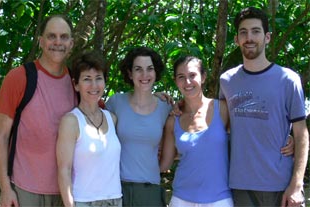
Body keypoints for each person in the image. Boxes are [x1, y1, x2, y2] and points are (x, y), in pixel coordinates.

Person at [219, 7, 309, 207]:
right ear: (236, 39)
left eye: (255, 31)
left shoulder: (288, 79)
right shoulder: (226, 81)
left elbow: (301, 133)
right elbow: (217, 124)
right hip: (239, 187)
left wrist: (296, 184)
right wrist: (177, 106)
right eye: (243, 32)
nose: (249, 37)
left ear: (267, 37)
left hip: (280, 186)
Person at [0, 14, 76, 206]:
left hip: (65, 191)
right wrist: (6, 189)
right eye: (51, 36)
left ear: (71, 43)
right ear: (40, 41)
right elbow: (0, 136)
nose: (57, 42)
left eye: (64, 37)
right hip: (24, 190)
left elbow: (104, 114)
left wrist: (155, 97)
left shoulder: (77, 82)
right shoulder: (19, 77)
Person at [160, 56, 233, 207]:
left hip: (220, 200)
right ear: (176, 81)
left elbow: (249, 134)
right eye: (181, 77)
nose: (187, 82)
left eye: (192, 75)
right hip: (181, 199)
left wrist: (288, 140)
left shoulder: (223, 109)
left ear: (203, 77)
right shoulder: (173, 120)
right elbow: (164, 165)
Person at [106, 46, 172, 207]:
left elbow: (171, 151)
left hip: (150, 191)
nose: (144, 75)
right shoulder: (115, 103)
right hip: (117, 189)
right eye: (138, 69)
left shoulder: (166, 107)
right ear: (130, 73)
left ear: (156, 73)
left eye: (150, 69)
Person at [56, 51, 122, 207]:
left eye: (98, 78)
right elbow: (64, 170)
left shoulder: (111, 118)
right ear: (76, 85)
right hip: (84, 201)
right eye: (87, 79)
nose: (94, 85)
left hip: (115, 199)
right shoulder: (71, 121)